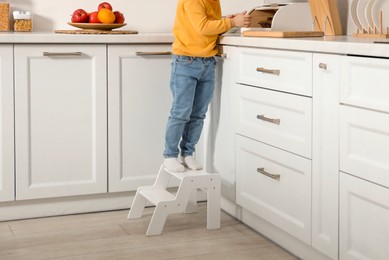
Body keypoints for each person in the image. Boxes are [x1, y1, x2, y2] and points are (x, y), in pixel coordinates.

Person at [163, 0, 252, 173]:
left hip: (207, 63)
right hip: (186, 62)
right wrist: (232, 22)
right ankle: (170, 155)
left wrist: (227, 20)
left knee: (198, 114)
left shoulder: (213, 1)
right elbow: (202, 27)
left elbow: (209, 25)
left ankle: (187, 153)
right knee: (181, 112)